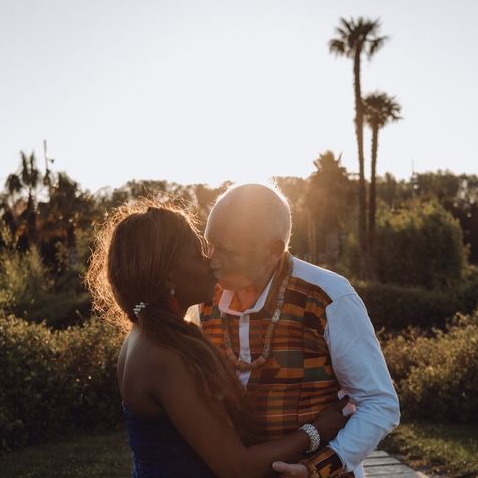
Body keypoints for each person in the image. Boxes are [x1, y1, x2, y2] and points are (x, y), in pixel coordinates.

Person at [86, 200, 351, 478]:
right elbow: (237, 467)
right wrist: (316, 430)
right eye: (197, 254)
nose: (210, 263)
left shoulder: (151, 336)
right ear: (167, 278)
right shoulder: (163, 356)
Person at [199, 183, 400, 478]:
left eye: (227, 251)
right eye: (209, 245)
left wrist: (316, 469)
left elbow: (380, 403)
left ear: (272, 251)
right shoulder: (206, 299)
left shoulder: (328, 296)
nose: (213, 261)